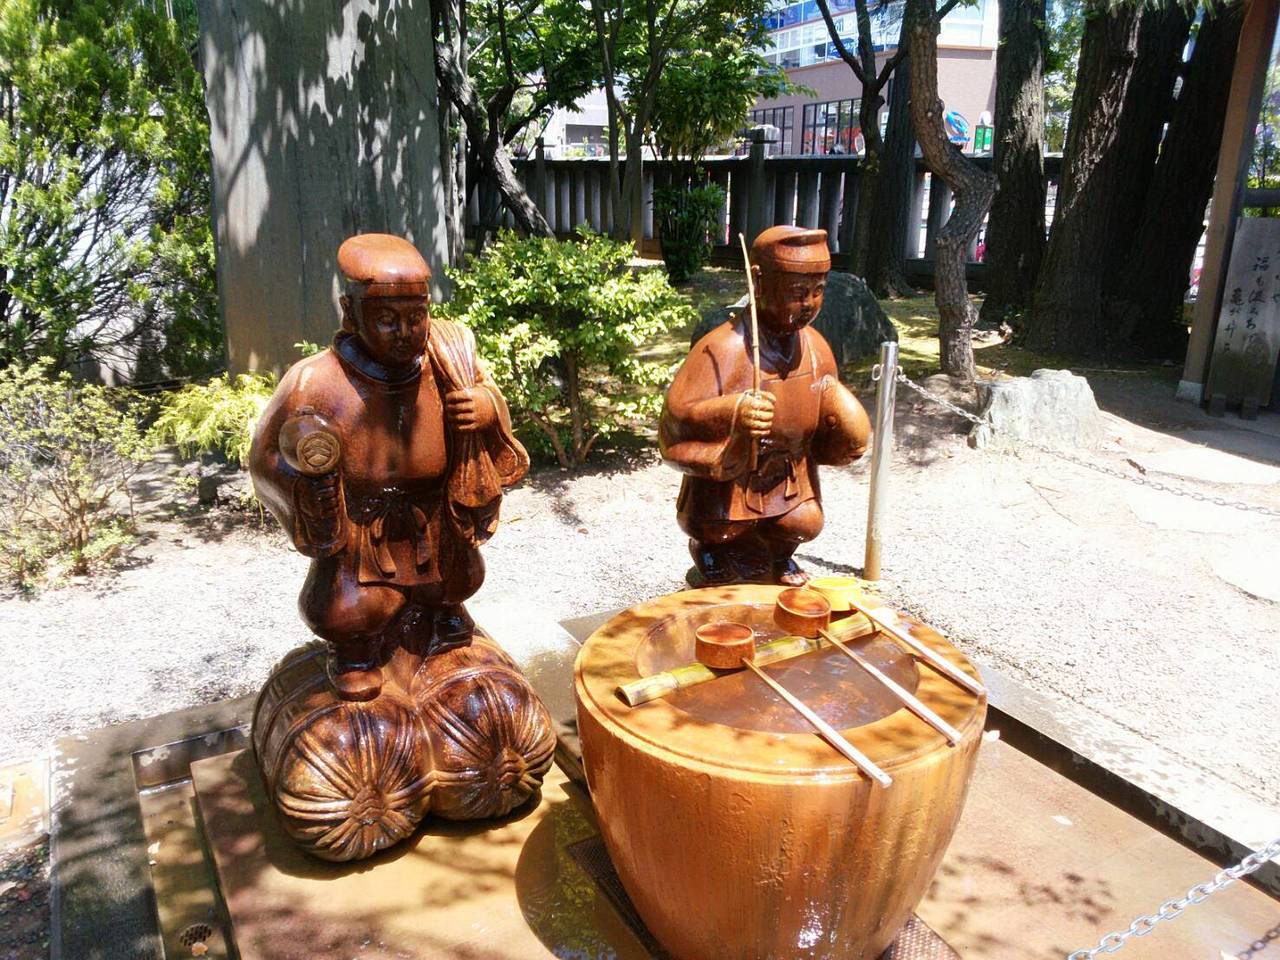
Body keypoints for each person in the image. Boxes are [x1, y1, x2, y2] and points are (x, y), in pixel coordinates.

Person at [250, 234, 527, 701]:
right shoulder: (313, 380)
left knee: (455, 580)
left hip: (434, 514)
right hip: (363, 526)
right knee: (350, 608)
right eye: (386, 319)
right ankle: (356, 651)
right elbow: (265, 458)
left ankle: (443, 616)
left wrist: (486, 408)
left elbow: (490, 396)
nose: (405, 332)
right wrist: (309, 487)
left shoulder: (449, 361)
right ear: (350, 312)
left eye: (416, 317)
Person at [659, 226, 871, 586]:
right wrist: (734, 410)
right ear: (758, 281)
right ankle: (709, 550)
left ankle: (779, 554)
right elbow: (679, 415)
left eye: (818, 291)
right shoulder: (722, 349)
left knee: (804, 523)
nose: (809, 303)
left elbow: (826, 405)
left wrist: (845, 429)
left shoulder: (815, 348)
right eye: (797, 292)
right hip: (733, 474)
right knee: (718, 527)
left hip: (789, 474)